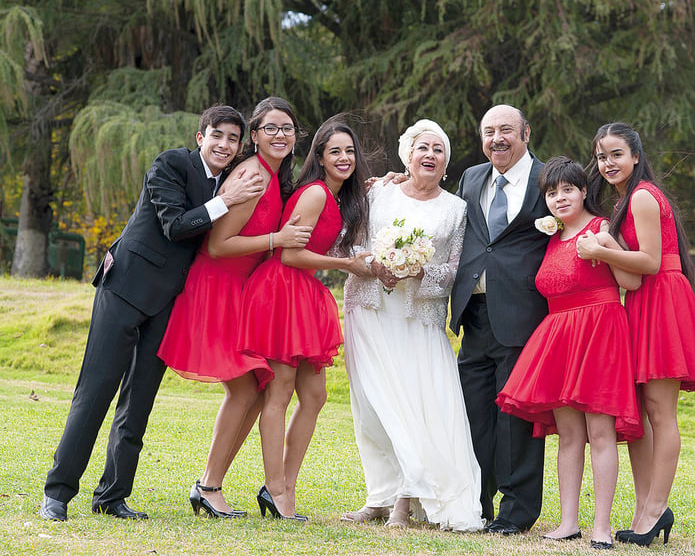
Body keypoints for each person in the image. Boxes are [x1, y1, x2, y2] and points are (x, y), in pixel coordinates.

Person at [39, 105, 266, 521]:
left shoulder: (228, 180)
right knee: (96, 392)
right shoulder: (171, 164)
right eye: (217, 135)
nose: (224, 144)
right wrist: (226, 200)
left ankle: (112, 495)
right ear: (201, 137)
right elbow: (176, 226)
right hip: (125, 286)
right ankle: (57, 492)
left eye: (233, 139)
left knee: (139, 400)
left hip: (168, 303)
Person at [157, 97, 312, 517]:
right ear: (256, 135)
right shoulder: (252, 176)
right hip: (216, 288)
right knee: (246, 387)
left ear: (297, 137)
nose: (280, 135)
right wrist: (276, 241)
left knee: (256, 389)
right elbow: (217, 244)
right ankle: (208, 485)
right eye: (271, 128)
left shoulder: (275, 176)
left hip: (241, 291)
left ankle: (210, 485)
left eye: (288, 128)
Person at [576, 122, 695, 546]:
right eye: (601, 157)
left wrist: (600, 249)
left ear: (636, 156)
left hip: (663, 300)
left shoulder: (641, 195)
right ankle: (645, 508)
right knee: (640, 411)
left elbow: (652, 261)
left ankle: (655, 508)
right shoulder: (622, 201)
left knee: (659, 410)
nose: (608, 163)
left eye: (616, 154)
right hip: (639, 304)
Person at [341, 120, 483, 531]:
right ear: (408, 154)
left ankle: (406, 500)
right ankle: (379, 496)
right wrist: (375, 265)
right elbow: (352, 241)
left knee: (412, 408)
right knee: (372, 408)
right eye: (423, 147)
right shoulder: (377, 192)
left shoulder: (456, 209)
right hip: (369, 310)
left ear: (446, 162)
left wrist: (418, 270)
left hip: (418, 319)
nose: (430, 155)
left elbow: (455, 269)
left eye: (439, 150)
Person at [496, 157, 643, 549]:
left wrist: (606, 247)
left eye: (567, 190)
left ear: (582, 192)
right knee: (568, 436)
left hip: (599, 332)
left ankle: (601, 528)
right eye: (551, 192)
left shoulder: (601, 227)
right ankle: (567, 522)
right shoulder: (551, 236)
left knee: (600, 431)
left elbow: (631, 280)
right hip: (560, 337)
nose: (559, 198)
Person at [239, 117, 371, 520]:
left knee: (314, 396)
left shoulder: (337, 195)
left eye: (349, 151)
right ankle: (277, 491)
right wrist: (346, 263)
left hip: (304, 292)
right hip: (283, 290)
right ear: (319, 156)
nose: (344, 158)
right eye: (335, 151)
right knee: (278, 393)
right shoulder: (314, 194)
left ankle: (284, 486)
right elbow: (289, 254)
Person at [449, 104, 551, 535]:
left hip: (524, 314)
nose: (497, 139)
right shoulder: (472, 178)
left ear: (526, 132)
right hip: (473, 313)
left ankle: (517, 511)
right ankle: (479, 502)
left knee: (516, 418)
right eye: (489, 131)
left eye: (506, 129)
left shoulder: (549, 179)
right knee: (475, 414)